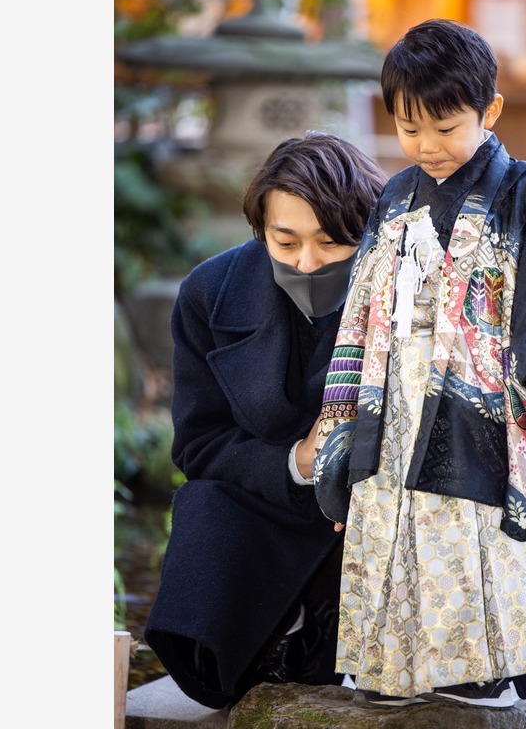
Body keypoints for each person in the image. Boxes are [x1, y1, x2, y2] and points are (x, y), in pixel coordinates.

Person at [311, 19, 526, 709]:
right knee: (391, 515)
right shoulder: (395, 194)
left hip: (474, 391)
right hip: (393, 387)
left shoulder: (517, 189)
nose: (428, 147)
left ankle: (476, 666)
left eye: (446, 128)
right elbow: (364, 296)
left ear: (489, 112)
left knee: (467, 524)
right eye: (410, 129)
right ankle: (389, 662)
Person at [143, 131, 388, 709]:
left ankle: (354, 630)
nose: (307, 262)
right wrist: (297, 461)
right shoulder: (210, 292)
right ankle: (283, 631)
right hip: (266, 498)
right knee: (205, 502)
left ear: (368, 232)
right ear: (261, 230)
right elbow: (198, 445)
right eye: (286, 241)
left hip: (377, 504)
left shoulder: (407, 286)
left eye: (332, 242)